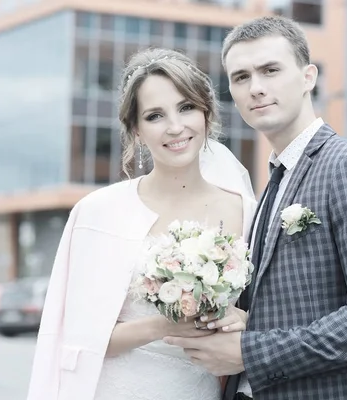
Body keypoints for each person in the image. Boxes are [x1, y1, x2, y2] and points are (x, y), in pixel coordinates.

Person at [164, 16, 347, 400]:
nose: (257, 88)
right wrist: (242, 322)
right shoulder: (273, 183)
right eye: (241, 77)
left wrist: (251, 351)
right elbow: (294, 304)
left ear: (308, 77)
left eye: (270, 70)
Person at [26, 48, 257, 400]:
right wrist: (163, 325)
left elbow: (264, 316)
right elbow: (77, 340)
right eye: (155, 115)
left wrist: (242, 321)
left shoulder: (244, 210)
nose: (175, 127)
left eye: (186, 107)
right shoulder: (97, 212)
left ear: (206, 113)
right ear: (135, 129)